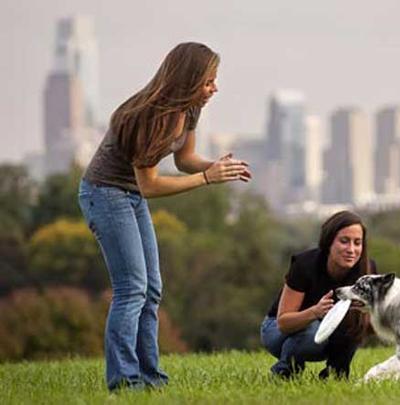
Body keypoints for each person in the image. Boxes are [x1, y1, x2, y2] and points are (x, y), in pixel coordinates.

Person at [78, 42, 251, 391]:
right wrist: (206, 179)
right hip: (105, 193)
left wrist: (215, 167)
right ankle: (125, 383)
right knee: (132, 289)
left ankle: (150, 378)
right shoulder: (149, 117)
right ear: (189, 79)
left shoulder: (189, 110)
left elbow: (184, 159)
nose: (214, 88)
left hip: (128, 194)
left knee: (151, 289)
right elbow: (151, 186)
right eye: (208, 81)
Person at [261, 210, 376, 379]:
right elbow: (283, 322)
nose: (351, 249)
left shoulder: (366, 270)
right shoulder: (305, 265)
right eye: (344, 241)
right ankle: (285, 371)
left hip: (326, 336)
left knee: (355, 323)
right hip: (277, 330)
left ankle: (334, 373)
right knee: (312, 329)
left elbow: (367, 326)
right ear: (329, 242)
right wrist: (315, 312)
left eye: (357, 243)